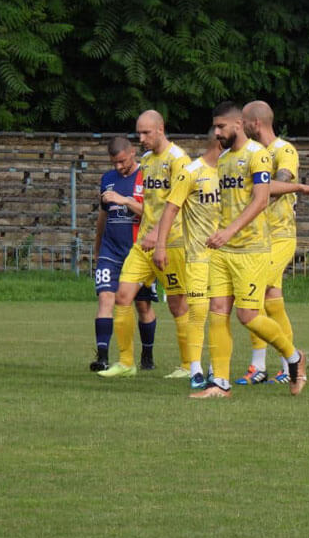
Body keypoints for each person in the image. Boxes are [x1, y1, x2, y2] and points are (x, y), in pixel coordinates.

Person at [190, 101, 309, 399]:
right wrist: (299, 188)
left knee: (248, 315)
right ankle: (220, 384)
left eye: (221, 126)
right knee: (218, 311)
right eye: (215, 127)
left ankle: (293, 358)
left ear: (239, 124)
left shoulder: (258, 155)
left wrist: (229, 230)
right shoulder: (224, 158)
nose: (216, 132)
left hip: (251, 250)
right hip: (224, 250)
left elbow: (261, 198)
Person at [98, 111, 193, 379]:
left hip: (171, 243)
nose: (141, 138)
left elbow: (178, 204)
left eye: (146, 133)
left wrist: (159, 235)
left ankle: (189, 366)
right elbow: (150, 203)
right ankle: (126, 362)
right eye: (138, 133)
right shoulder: (148, 161)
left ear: (161, 129)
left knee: (177, 304)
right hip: (143, 244)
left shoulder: (179, 160)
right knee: (122, 296)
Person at [152, 129, 222, 389]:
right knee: (198, 312)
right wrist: (160, 246)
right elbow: (171, 209)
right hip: (197, 257)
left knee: (220, 313)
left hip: (225, 259)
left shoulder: (231, 173)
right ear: (219, 143)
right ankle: (195, 370)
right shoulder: (192, 171)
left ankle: (217, 369)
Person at [235, 100, 299, 385]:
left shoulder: (284, 150)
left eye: (244, 122)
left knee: (255, 296)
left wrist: (255, 194)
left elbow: (279, 184)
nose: (241, 126)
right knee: (271, 301)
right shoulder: (252, 153)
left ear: (256, 123)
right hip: (259, 238)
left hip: (280, 235)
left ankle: (273, 365)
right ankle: (278, 366)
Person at [90, 136, 159, 372]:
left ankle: (147, 355)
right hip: (110, 250)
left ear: (132, 153)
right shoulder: (107, 179)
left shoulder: (146, 177)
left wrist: (125, 201)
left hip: (138, 252)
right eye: (114, 163)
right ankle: (102, 357)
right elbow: (103, 216)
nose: (118, 167)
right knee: (106, 299)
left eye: (122, 161)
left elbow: (154, 213)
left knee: (142, 306)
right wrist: (97, 247)